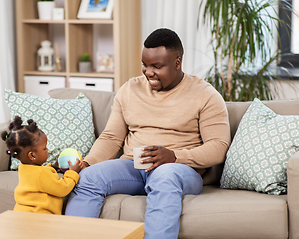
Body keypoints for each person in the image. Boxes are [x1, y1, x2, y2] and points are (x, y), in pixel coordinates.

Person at [65, 28, 231, 238]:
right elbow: (111, 137)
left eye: (157, 66)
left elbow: (218, 147)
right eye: (145, 64)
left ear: (177, 62)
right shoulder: (129, 89)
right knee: (88, 178)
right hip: (133, 167)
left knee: (164, 175)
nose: (148, 72)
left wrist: (174, 156)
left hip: (178, 170)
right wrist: (87, 163)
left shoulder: (206, 95)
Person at [1, 116, 83, 215]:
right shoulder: (41, 174)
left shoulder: (24, 168)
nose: (47, 150)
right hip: (38, 217)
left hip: (23, 213)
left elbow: (40, 177)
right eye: (44, 148)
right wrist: (72, 173)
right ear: (32, 155)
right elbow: (62, 188)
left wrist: (53, 166)